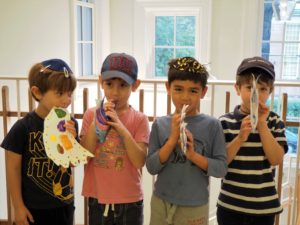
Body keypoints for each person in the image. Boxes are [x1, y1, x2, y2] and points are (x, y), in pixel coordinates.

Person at [146, 57, 228, 225]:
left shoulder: (213, 125)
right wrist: (171, 141)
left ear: (203, 92)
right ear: (168, 88)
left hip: (195, 206)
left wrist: (192, 155)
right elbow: (151, 167)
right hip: (161, 202)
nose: (185, 97)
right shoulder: (160, 124)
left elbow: (221, 169)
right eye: (178, 89)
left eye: (193, 91)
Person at [1, 59, 78, 225]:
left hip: (64, 205)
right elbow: (12, 168)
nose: (67, 100)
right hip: (32, 209)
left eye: (70, 93)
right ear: (37, 92)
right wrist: (18, 207)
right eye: (60, 93)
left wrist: (72, 141)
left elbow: (73, 162)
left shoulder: (70, 123)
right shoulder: (23, 127)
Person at [216, 56, 288, 225]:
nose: (256, 94)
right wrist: (240, 137)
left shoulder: (275, 122)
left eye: (262, 89)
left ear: (270, 92)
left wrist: (262, 124)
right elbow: (221, 163)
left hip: (264, 208)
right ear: (237, 88)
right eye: (250, 87)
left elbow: (276, 159)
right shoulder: (224, 122)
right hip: (230, 205)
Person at [80, 52, 150, 225]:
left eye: (123, 85)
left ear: (135, 85)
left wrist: (121, 127)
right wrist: (97, 120)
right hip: (97, 197)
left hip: (130, 199)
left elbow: (139, 161)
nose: (115, 92)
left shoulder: (140, 119)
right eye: (109, 84)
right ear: (100, 82)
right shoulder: (90, 114)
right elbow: (84, 155)